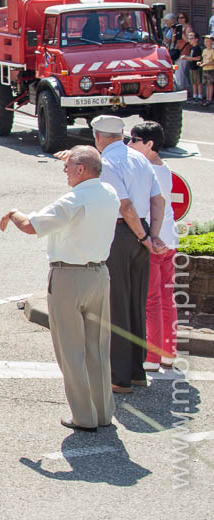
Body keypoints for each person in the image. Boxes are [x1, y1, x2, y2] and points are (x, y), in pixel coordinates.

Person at [0, 146, 119, 432]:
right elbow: (87, 169)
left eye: (68, 167)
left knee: (70, 349)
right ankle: (103, 411)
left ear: (81, 169)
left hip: (69, 276)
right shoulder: (109, 194)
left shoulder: (73, 200)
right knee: (98, 348)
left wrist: (13, 212)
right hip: (99, 273)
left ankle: (83, 415)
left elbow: (30, 226)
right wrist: (76, 157)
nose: (64, 170)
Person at [91, 115, 166, 394]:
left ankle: (119, 377)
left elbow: (124, 206)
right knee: (135, 301)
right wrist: (152, 235)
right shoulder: (139, 158)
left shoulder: (108, 163)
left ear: (98, 136)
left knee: (118, 304)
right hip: (141, 229)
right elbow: (158, 200)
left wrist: (144, 236)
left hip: (123, 232)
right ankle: (136, 370)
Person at [127, 122, 178, 372]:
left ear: (149, 144)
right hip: (170, 240)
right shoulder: (163, 168)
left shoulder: (146, 170)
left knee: (152, 300)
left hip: (155, 241)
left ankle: (152, 357)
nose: (129, 143)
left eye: (134, 139)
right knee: (166, 298)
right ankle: (168, 353)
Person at [184, 33, 204, 103]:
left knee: (198, 82)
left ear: (196, 39)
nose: (190, 40)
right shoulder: (191, 48)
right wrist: (187, 58)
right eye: (189, 38)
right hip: (192, 67)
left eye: (191, 38)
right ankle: (195, 95)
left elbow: (198, 58)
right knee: (193, 82)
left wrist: (188, 58)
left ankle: (200, 96)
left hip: (197, 67)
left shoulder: (197, 48)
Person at [201, 34, 214, 106]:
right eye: (205, 41)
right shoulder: (204, 50)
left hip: (210, 69)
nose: (206, 43)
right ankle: (207, 98)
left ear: (212, 42)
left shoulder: (213, 51)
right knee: (207, 84)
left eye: (208, 41)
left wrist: (207, 63)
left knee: (210, 84)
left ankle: (209, 99)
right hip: (204, 69)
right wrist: (201, 63)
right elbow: (203, 60)